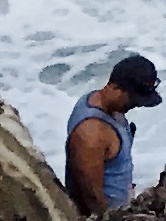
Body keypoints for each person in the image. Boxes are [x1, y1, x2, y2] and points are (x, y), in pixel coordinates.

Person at [63, 54, 161, 214]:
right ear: (115, 88)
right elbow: (91, 197)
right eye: (134, 99)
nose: (136, 105)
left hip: (123, 207)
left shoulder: (106, 105)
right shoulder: (91, 133)